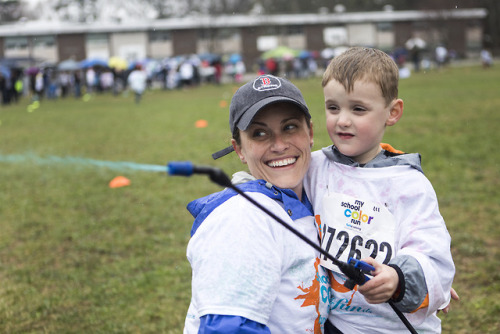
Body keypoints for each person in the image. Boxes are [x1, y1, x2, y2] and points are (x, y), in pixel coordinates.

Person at [305, 47, 455, 333]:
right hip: (335, 323)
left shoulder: (408, 184)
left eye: (358, 109)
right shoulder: (314, 168)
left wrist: (402, 279)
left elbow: (431, 249)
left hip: (393, 326)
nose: (342, 120)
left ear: (392, 112)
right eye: (333, 107)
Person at [184, 74, 330, 333]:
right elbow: (227, 329)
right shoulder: (243, 219)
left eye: (290, 127)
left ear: (311, 133)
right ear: (239, 149)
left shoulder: (312, 196)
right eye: (260, 133)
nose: (279, 145)